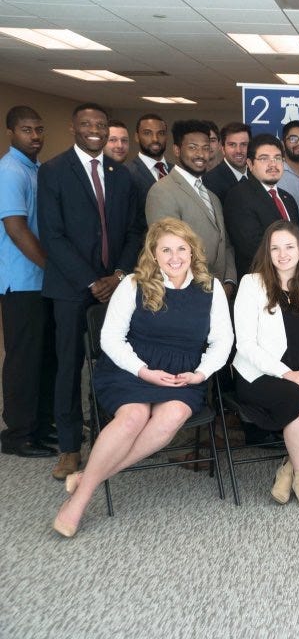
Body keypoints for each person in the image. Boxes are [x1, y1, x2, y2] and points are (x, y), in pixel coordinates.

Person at [52, 218, 233, 536]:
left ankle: (88, 478)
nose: (175, 257)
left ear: (192, 251)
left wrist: (200, 373)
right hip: (131, 369)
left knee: (172, 416)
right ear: (153, 253)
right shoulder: (134, 284)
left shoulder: (210, 288)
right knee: (133, 417)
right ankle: (80, 499)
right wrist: (143, 371)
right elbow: (110, 338)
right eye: (166, 250)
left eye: (181, 249)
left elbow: (223, 340)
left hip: (182, 374)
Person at [38, 102, 145, 480]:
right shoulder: (53, 171)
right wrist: (91, 281)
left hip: (116, 286)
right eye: (87, 124)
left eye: (100, 124)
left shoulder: (121, 174)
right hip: (71, 288)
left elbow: (135, 231)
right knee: (69, 366)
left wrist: (117, 275)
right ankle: (69, 448)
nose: (95, 130)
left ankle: (108, 437)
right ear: (74, 128)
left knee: (114, 360)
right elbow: (52, 235)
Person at [232, 221, 299, 510]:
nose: (283, 254)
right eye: (275, 248)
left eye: (289, 247)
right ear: (267, 253)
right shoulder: (251, 284)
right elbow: (246, 345)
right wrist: (288, 374)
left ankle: (288, 469)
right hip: (261, 373)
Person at [1, 105, 57, 458]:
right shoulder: (9, 171)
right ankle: (18, 434)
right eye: (26, 130)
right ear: (11, 132)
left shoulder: (36, 168)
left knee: (45, 356)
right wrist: (52, 268)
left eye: (38, 129)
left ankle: (40, 425)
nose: (35, 136)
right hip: (22, 283)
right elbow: (16, 228)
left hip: (41, 282)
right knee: (23, 360)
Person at [145, 119, 237, 295]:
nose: (201, 154)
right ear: (177, 150)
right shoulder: (162, 191)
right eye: (193, 147)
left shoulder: (212, 196)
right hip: (187, 293)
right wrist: (203, 288)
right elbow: (169, 252)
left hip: (219, 291)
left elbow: (225, 244)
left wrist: (229, 281)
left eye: (205, 148)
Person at [223, 134, 299, 279]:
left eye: (277, 158)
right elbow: (252, 248)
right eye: (264, 159)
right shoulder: (239, 196)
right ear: (250, 164)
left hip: (294, 279)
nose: (273, 164)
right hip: (261, 281)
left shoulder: (288, 199)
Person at [203, 122, 250, 204]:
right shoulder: (208, 182)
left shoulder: (258, 176)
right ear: (223, 149)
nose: (238, 150)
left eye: (244, 144)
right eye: (232, 145)